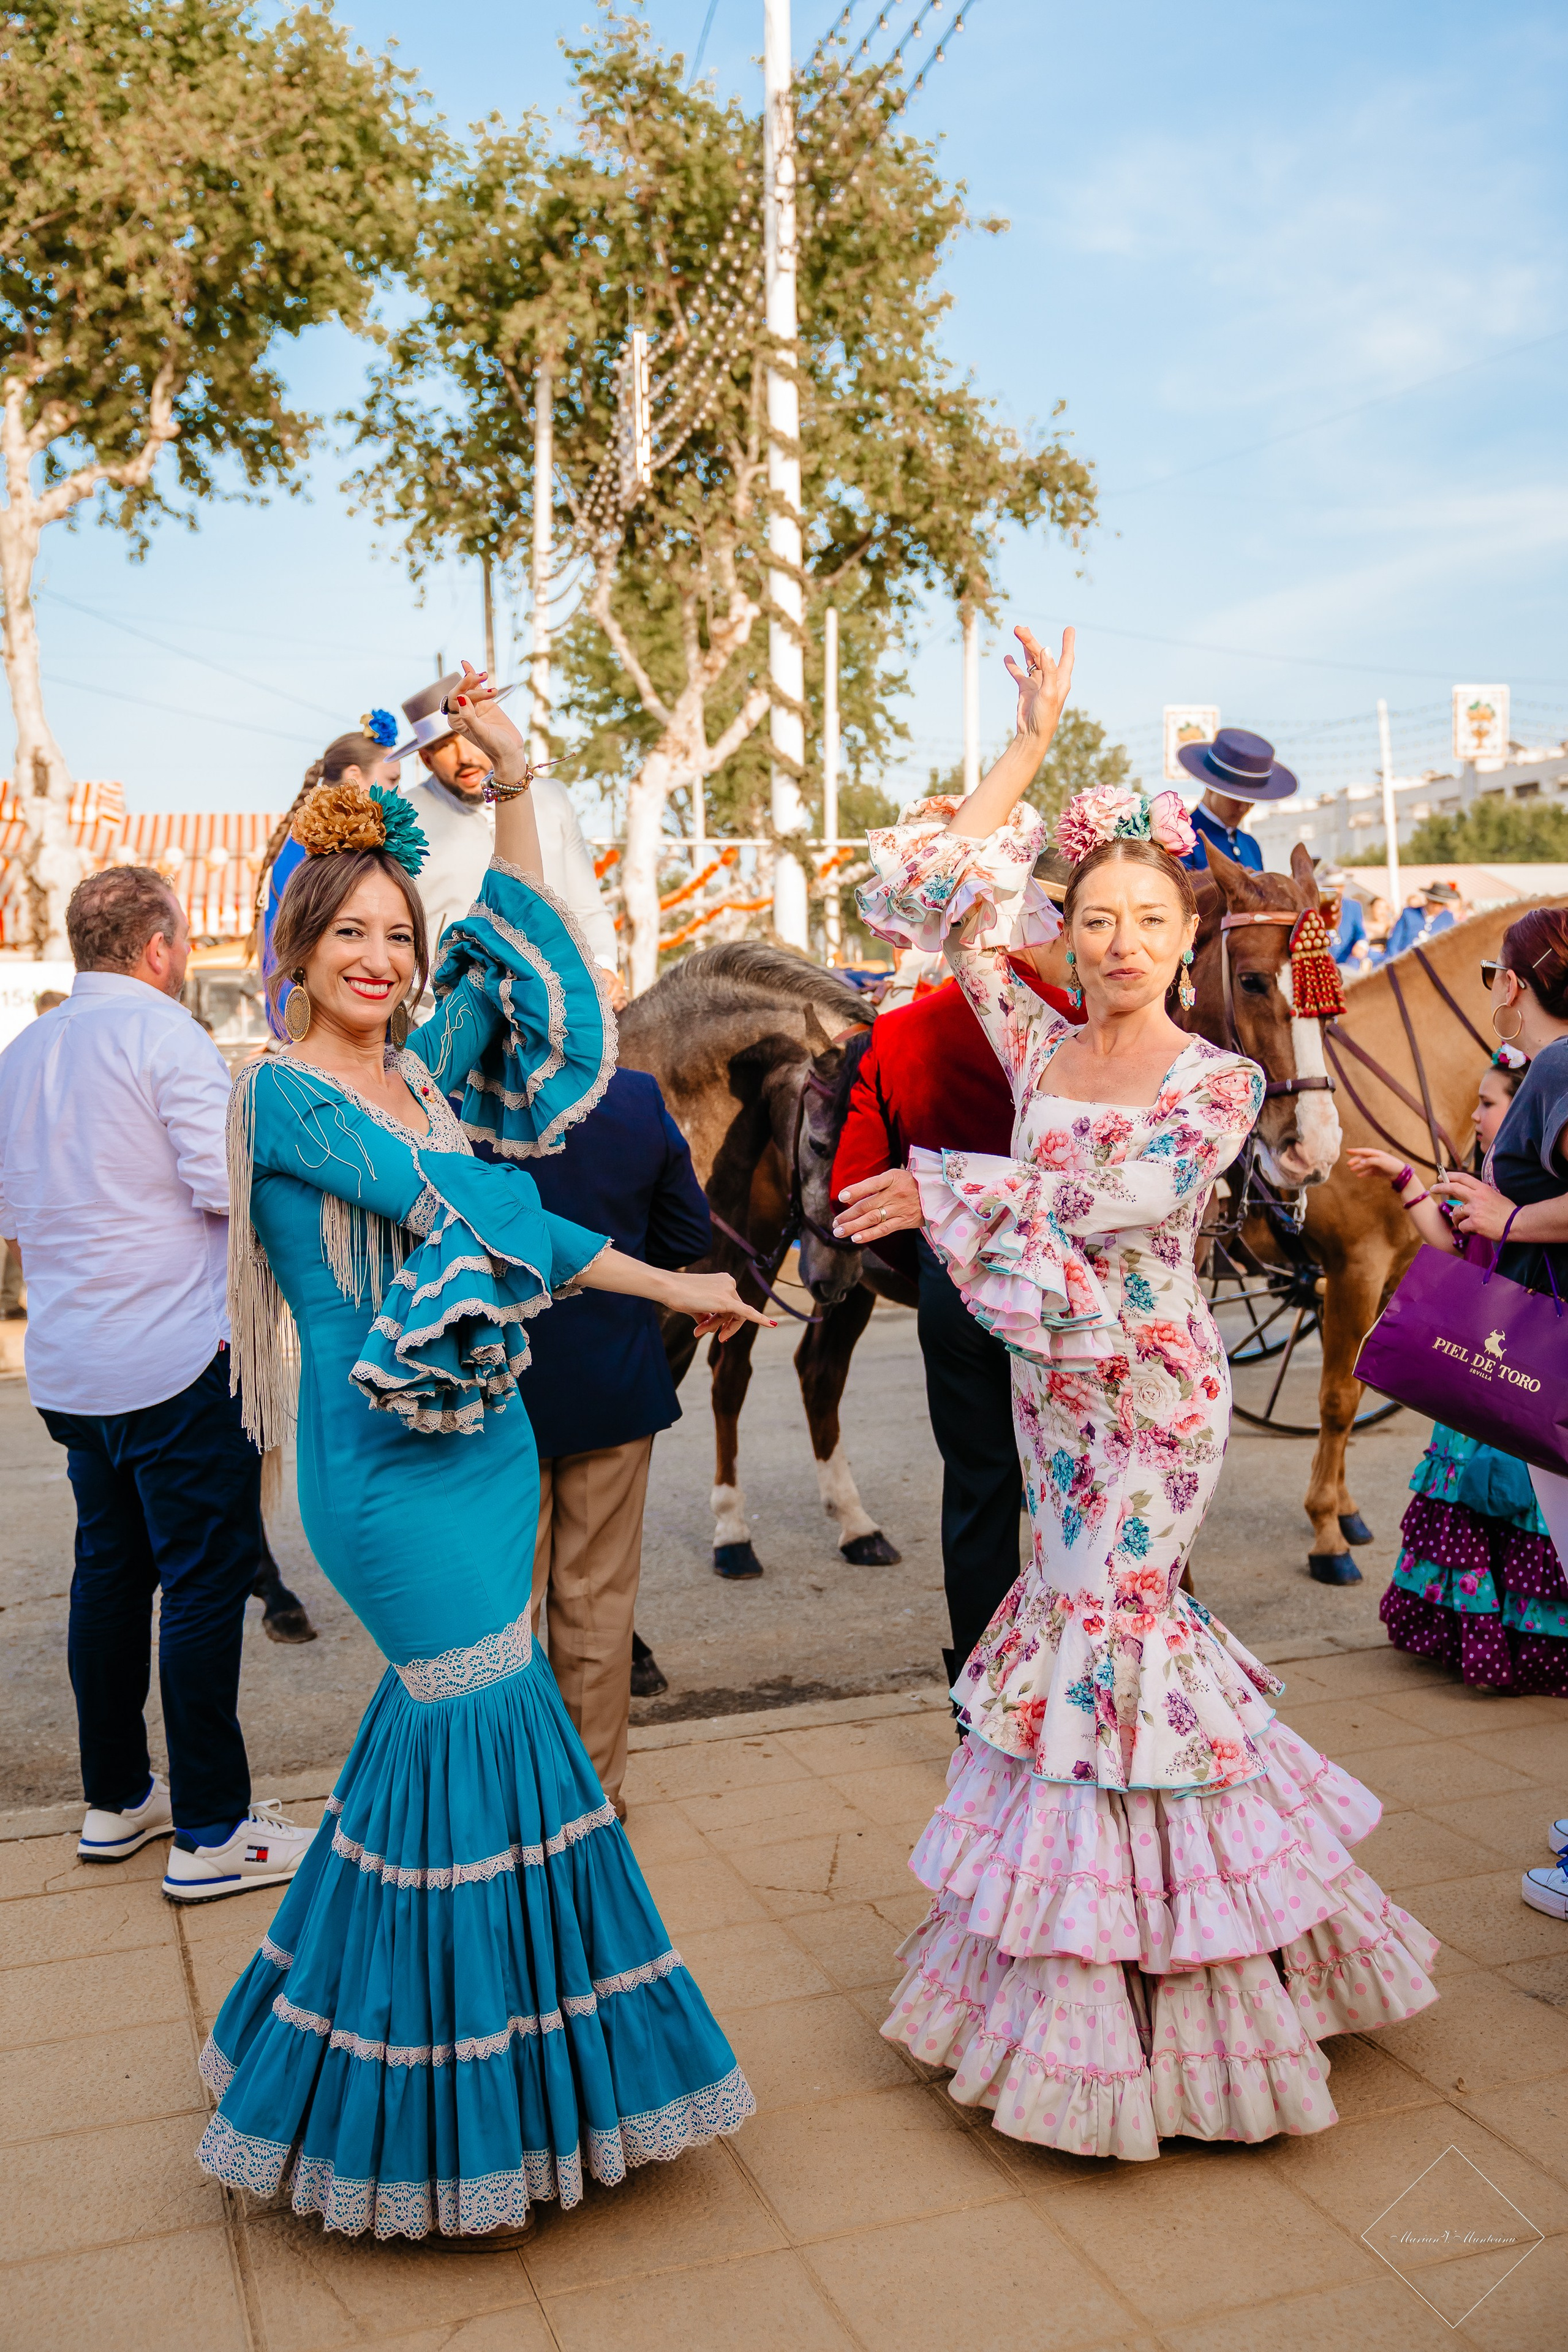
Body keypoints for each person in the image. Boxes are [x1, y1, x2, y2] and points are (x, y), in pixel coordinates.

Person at [839, 621, 1438, 2162]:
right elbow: (913, 887)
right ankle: (1105, 1948)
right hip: (1054, 1391)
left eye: (1141, 920)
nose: (1112, 941)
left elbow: (1117, 1203)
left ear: (1185, 939)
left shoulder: (1211, 1083)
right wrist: (1027, 755)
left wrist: (934, 1184)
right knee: (1077, 1637)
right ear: (1068, 928)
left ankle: (1167, 1984)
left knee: (1109, 1645)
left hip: (1150, 1404)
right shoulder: (1032, 1044)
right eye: (1089, 915)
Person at [196, 665, 760, 2244]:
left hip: (487, 1433)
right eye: (348, 932)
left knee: (452, 1748)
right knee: (480, 1727)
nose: (377, 957)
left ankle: (387, 2047)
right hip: (382, 1470)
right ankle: (438, 2115)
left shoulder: (427, 1069)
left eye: (395, 933)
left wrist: (510, 775)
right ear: (293, 947)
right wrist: (677, 1273)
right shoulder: (287, 1095)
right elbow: (484, 1215)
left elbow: (533, 967)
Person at [0, 866, 312, 1901]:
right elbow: (222, 1185)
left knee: (109, 1578)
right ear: (161, 946)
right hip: (173, 1359)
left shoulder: (27, 1050)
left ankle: (117, 1799)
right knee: (203, 1583)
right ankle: (214, 1830)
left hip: (71, 1365)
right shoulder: (163, 1035)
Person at [831, 842, 1084, 1685]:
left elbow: (854, 1189)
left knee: (977, 1490)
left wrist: (938, 1252)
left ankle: (982, 1685)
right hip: (1068, 1284)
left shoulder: (899, 1032)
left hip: (958, 1285)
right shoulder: (1080, 1031)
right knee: (1074, 1491)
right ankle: (1072, 1679)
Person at [519, 1066, 712, 1819]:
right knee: (598, 1605)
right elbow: (687, 1236)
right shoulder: (631, 1095)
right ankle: (592, 1801)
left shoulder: (444, 1092)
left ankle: (510, 1802)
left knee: (503, 1617)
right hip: (611, 1379)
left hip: (495, 1390)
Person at [1349, 1056, 1568, 1693]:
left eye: (1490, 1104)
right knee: (1484, 1522)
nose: (1475, 1116)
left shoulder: (1528, 1200)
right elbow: (1451, 1249)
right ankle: (1481, 1641)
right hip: (1489, 1380)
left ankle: (1531, 1648)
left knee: (1525, 1519)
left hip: (1524, 1378)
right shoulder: (1487, 1193)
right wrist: (1407, 1182)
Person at [394, 673, 625, 1009]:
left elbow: (587, 908)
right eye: (445, 743)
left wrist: (605, 967)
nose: (465, 756)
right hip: (451, 1017)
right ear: (426, 758)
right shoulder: (405, 818)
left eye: (469, 733)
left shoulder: (553, 799)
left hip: (561, 1006)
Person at [256, 720, 405, 1037]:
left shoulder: (302, 843)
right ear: (354, 777)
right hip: (321, 1031)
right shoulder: (327, 852)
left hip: (297, 1022)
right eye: (392, 781)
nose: (398, 793)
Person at [1174, 725, 1298, 875]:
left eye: (1251, 801)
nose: (1244, 808)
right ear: (1212, 786)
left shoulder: (1250, 845)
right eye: (1236, 799)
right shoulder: (1181, 840)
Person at [1382, 879, 1462, 960]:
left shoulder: (1448, 918)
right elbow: (1394, 943)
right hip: (1406, 961)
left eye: (1441, 904)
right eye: (1434, 902)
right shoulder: (1409, 914)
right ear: (1427, 899)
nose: (1437, 907)